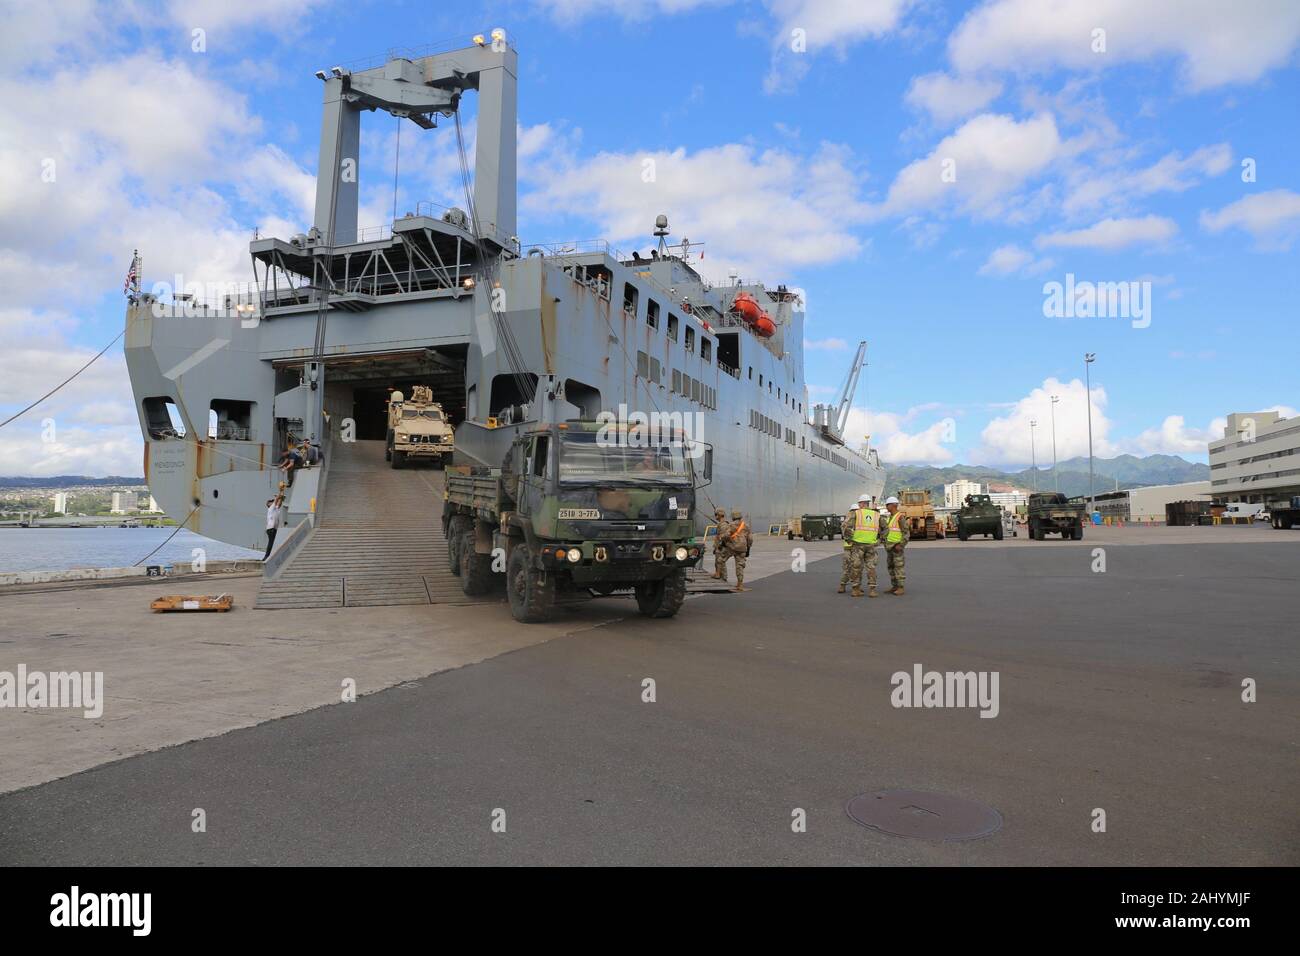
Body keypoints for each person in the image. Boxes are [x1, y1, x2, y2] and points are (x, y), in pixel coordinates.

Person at [839, 494, 880, 597]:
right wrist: (879, 540)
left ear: (861, 503)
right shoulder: (876, 514)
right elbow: (885, 528)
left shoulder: (856, 514)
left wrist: (849, 540)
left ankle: (856, 589)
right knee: (871, 567)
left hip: (857, 545)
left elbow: (846, 527)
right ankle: (872, 590)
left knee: (856, 567)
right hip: (871, 545)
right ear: (868, 503)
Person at [881, 496, 909, 595]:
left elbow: (906, 533)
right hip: (890, 547)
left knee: (899, 567)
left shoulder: (900, 517)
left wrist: (901, 545)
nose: (886, 506)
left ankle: (900, 587)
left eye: (887, 505)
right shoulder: (891, 517)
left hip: (897, 547)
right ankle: (894, 586)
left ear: (893, 505)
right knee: (891, 567)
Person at [719, 508, 752, 592]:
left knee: (721, 559)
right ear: (740, 516)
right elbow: (750, 538)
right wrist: (748, 547)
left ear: (733, 517)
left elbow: (726, 535)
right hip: (742, 548)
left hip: (732, 547)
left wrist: (721, 537)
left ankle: (723, 578)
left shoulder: (731, 525)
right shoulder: (746, 525)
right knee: (740, 566)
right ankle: (740, 584)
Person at [710, 507, 731, 581]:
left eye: (716, 514)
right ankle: (718, 574)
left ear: (719, 515)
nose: (715, 516)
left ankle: (724, 577)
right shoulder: (721, 524)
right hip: (719, 545)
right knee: (718, 561)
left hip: (722, 546)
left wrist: (720, 545)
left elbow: (724, 536)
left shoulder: (723, 525)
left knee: (721, 561)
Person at [263, 493, 285, 560]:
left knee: (273, 542)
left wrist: (281, 498)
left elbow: (279, 503)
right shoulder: (271, 508)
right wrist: (280, 494)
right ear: (269, 504)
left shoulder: (276, 509)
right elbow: (276, 500)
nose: (273, 502)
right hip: (271, 528)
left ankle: (269, 556)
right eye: (271, 502)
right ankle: (267, 556)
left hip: (274, 529)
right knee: (271, 542)